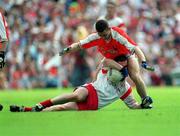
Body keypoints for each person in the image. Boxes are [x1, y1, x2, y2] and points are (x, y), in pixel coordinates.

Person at [58, 19, 153, 108]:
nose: (104, 38)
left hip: (127, 55)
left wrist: (143, 61)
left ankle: (145, 99)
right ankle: (92, 91)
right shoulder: (95, 37)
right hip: (110, 59)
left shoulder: (118, 35)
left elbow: (135, 48)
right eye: (101, 35)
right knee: (98, 71)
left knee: (134, 75)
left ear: (109, 29)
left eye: (105, 35)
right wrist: (67, 49)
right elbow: (79, 45)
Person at [9, 57, 151, 112]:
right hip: (90, 89)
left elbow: (133, 105)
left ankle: (28, 110)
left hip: (93, 105)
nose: (121, 64)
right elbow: (105, 61)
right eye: (120, 62)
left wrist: (142, 106)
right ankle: (41, 104)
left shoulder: (125, 88)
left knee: (61, 108)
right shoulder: (108, 68)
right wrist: (121, 69)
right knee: (76, 95)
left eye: (123, 63)